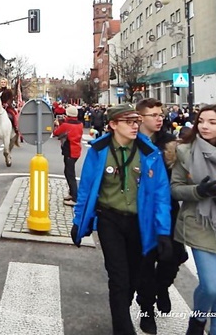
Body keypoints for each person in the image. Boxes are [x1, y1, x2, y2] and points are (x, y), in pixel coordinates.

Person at [71, 103, 172, 335]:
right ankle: (123, 329)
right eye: (129, 122)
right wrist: (79, 221)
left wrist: (163, 231)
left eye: (136, 121)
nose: (135, 126)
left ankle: (122, 311)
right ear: (113, 124)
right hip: (109, 220)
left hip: (139, 223)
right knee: (118, 277)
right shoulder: (98, 151)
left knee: (133, 278)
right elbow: (85, 188)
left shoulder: (149, 154)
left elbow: (161, 195)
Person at [171, 104, 216, 335]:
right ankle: (198, 321)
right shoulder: (185, 151)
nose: (204, 126)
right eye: (201, 120)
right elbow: (175, 189)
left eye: (212, 122)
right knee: (212, 286)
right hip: (200, 225)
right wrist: (198, 192)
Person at [133, 98, 187, 332]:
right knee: (145, 264)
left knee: (173, 258)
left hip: (169, 211)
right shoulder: (132, 143)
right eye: (153, 114)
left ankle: (162, 286)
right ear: (140, 118)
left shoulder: (171, 146)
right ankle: (147, 310)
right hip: (141, 213)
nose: (159, 118)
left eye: (160, 114)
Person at [53, 105, 83, 207]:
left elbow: (56, 133)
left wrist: (57, 124)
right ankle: (71, 193)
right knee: (68, 172)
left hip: (70, 151)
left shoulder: (66, 125)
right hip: (76, 151)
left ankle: (75, 197)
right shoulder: (80, 124)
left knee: (70, 174)